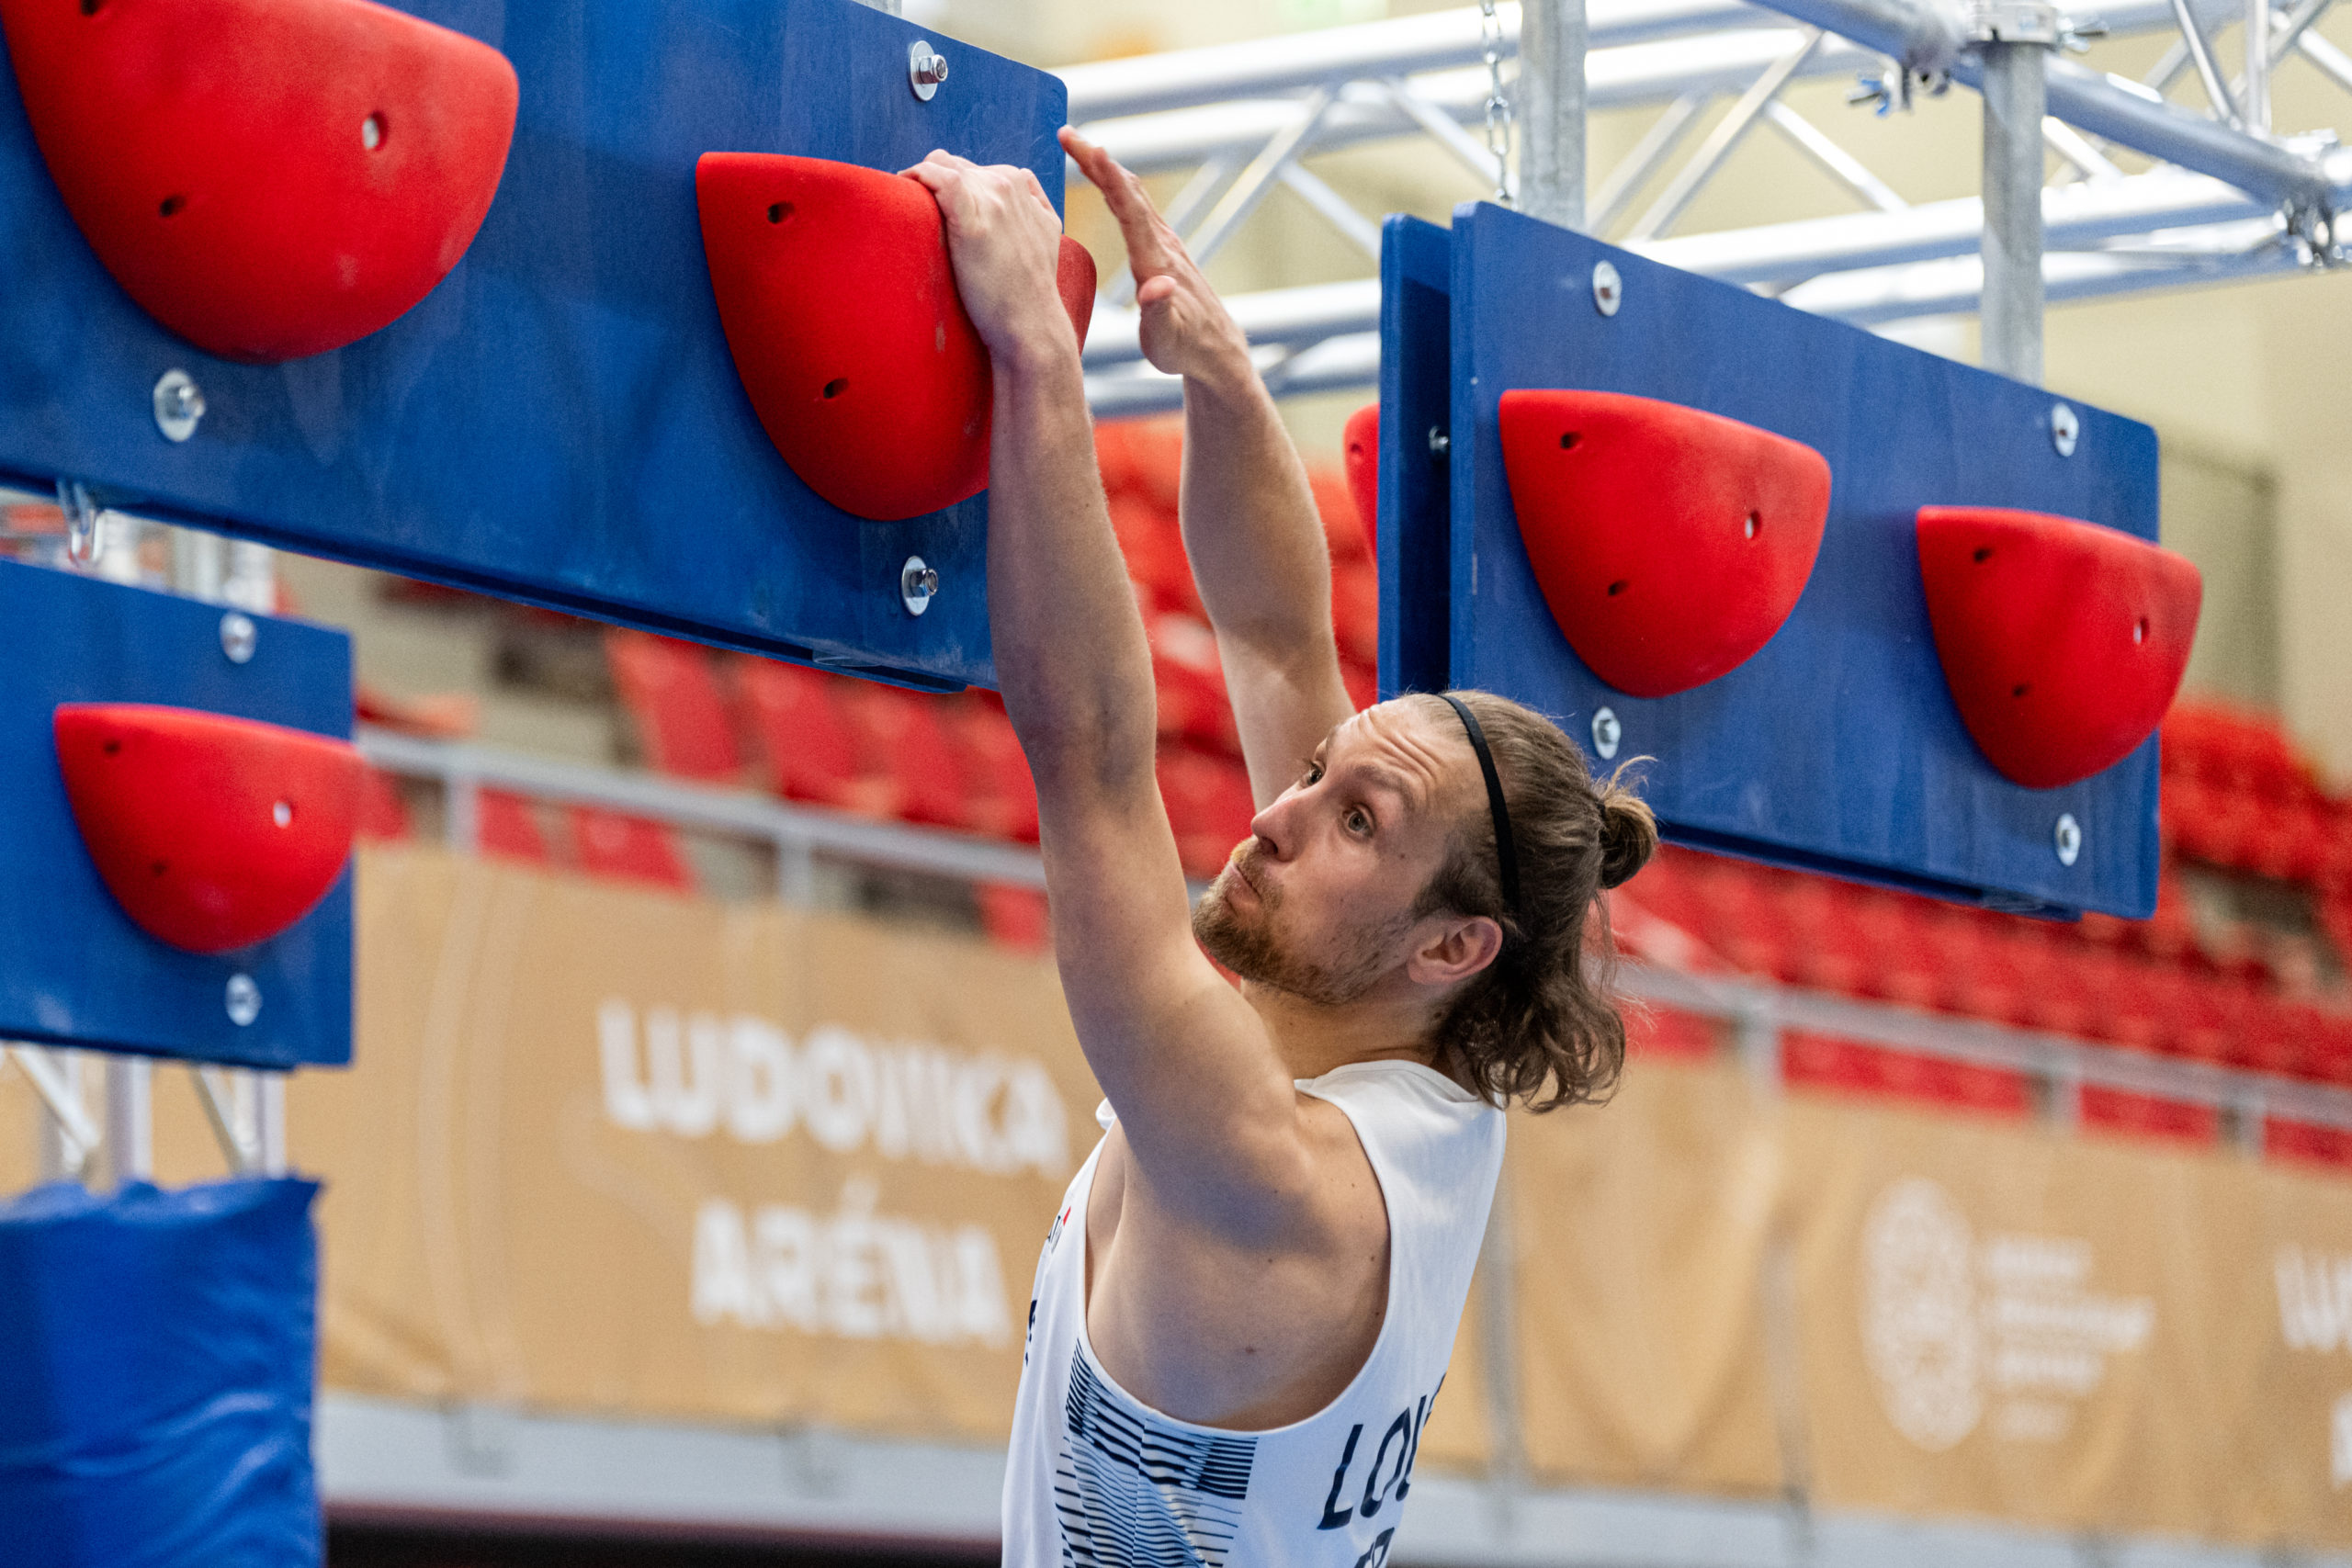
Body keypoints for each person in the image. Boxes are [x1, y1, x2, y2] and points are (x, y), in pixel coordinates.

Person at [905, 128, 1657, 1568]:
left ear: (1455, 945)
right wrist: (1223, 377)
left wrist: (1037, 360)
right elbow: (1271, 636)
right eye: (1321, 776)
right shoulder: (1419, 1069)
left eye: (1355, 819)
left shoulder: (1266, 1175)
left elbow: (1090, 762)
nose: (1276, 816)